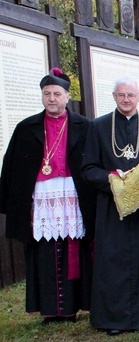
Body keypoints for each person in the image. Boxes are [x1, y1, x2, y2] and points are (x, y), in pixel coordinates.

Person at [0, 68, 93, 324]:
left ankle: (72, 306)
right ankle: (49, 309)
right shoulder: (26, 127)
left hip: (73, 194)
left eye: (56, 93)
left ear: (67, 96)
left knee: (73, 247)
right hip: (40, 195)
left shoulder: (84, 126)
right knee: (43, 250)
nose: (51, 98)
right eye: (47, 94)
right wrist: (10, 199)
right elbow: (11, 165)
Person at [81, 76, 139, 335]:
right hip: (111, 207)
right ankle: (114, 320)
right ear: (114, 97)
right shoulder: (98, 126)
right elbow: (88, 168)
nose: (126, 99)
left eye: (131, 95)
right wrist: (113, 179)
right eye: (121, 95)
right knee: (112, 261)